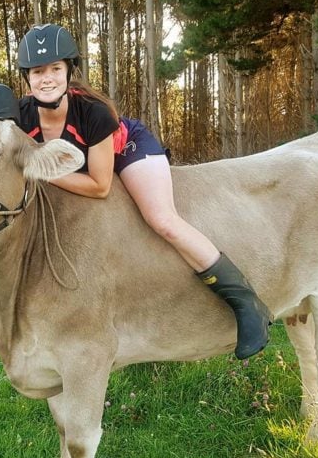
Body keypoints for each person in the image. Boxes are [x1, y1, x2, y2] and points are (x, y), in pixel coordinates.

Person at [15, 24, 272, 360]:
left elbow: (99, 185)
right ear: (27, 77)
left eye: (55, 69)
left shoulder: (93, 112)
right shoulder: (19, 115)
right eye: (37, 72)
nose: (46, 78)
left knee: (161, 219)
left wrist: (41, 171)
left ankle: (247, 304)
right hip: (76, 165)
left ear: (69, 72)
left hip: (129, 148)